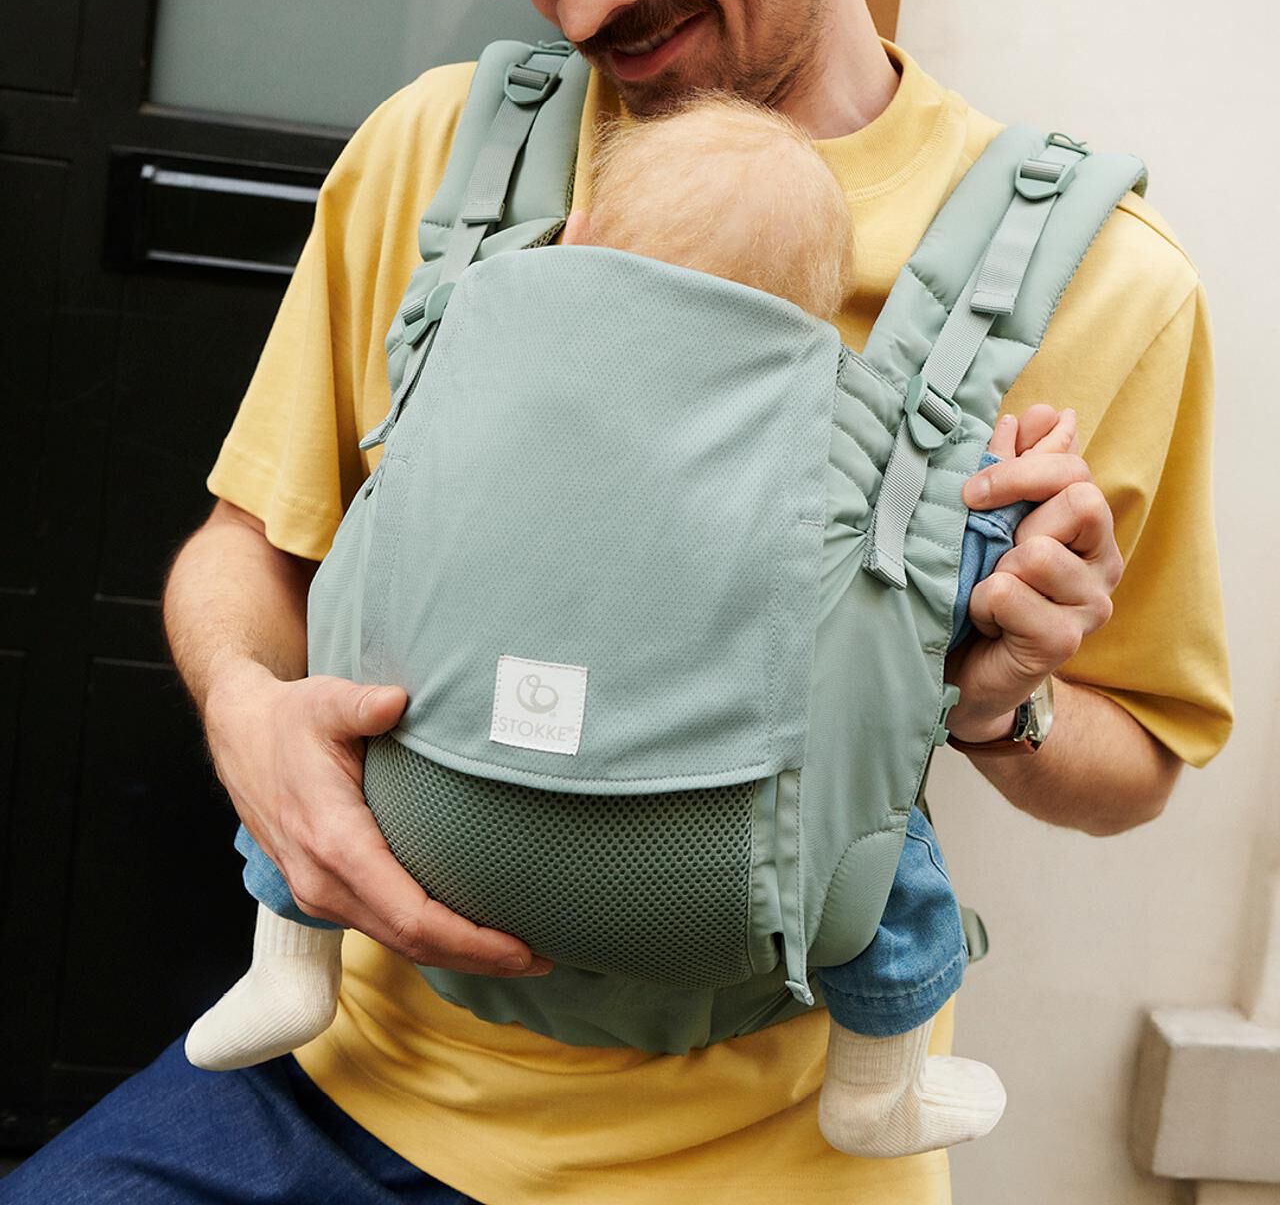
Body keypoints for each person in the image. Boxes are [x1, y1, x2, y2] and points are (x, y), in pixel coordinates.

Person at [1, 0, 1230, 1201]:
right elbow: (248, 547)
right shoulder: (440, 157)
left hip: (760, 1160)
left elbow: (1140, 760)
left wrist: (1005, 697)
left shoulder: (1095, 283)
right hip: (328, 1090)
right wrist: (252, 722)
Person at [181, 93, 1071, 1161]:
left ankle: (286, 957)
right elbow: (961, 557)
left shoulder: (476, 349)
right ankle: (878, 1081)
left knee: (323, 735)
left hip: (419, 812)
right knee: (883, 831)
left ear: (579, 239)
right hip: (734, 872)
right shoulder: (838, 426)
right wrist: (1012, 500)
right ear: (815, 316)